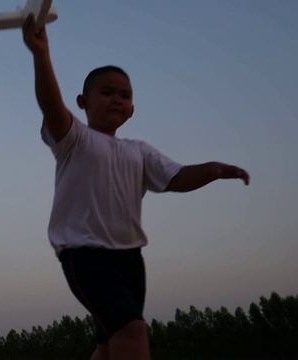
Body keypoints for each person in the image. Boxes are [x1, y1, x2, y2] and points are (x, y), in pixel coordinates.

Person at [21, 15, 249, 360]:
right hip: (84, 253)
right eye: (107, 92)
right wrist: (41, 54)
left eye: (124, 95)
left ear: (132, 110)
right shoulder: (74, 140)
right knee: (131, 330)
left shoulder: (139, 151)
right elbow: (52, 106)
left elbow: (176, 177)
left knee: (109, 346)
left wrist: (214, 170)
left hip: (130, 258)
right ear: (82, 102)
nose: (116, 99)